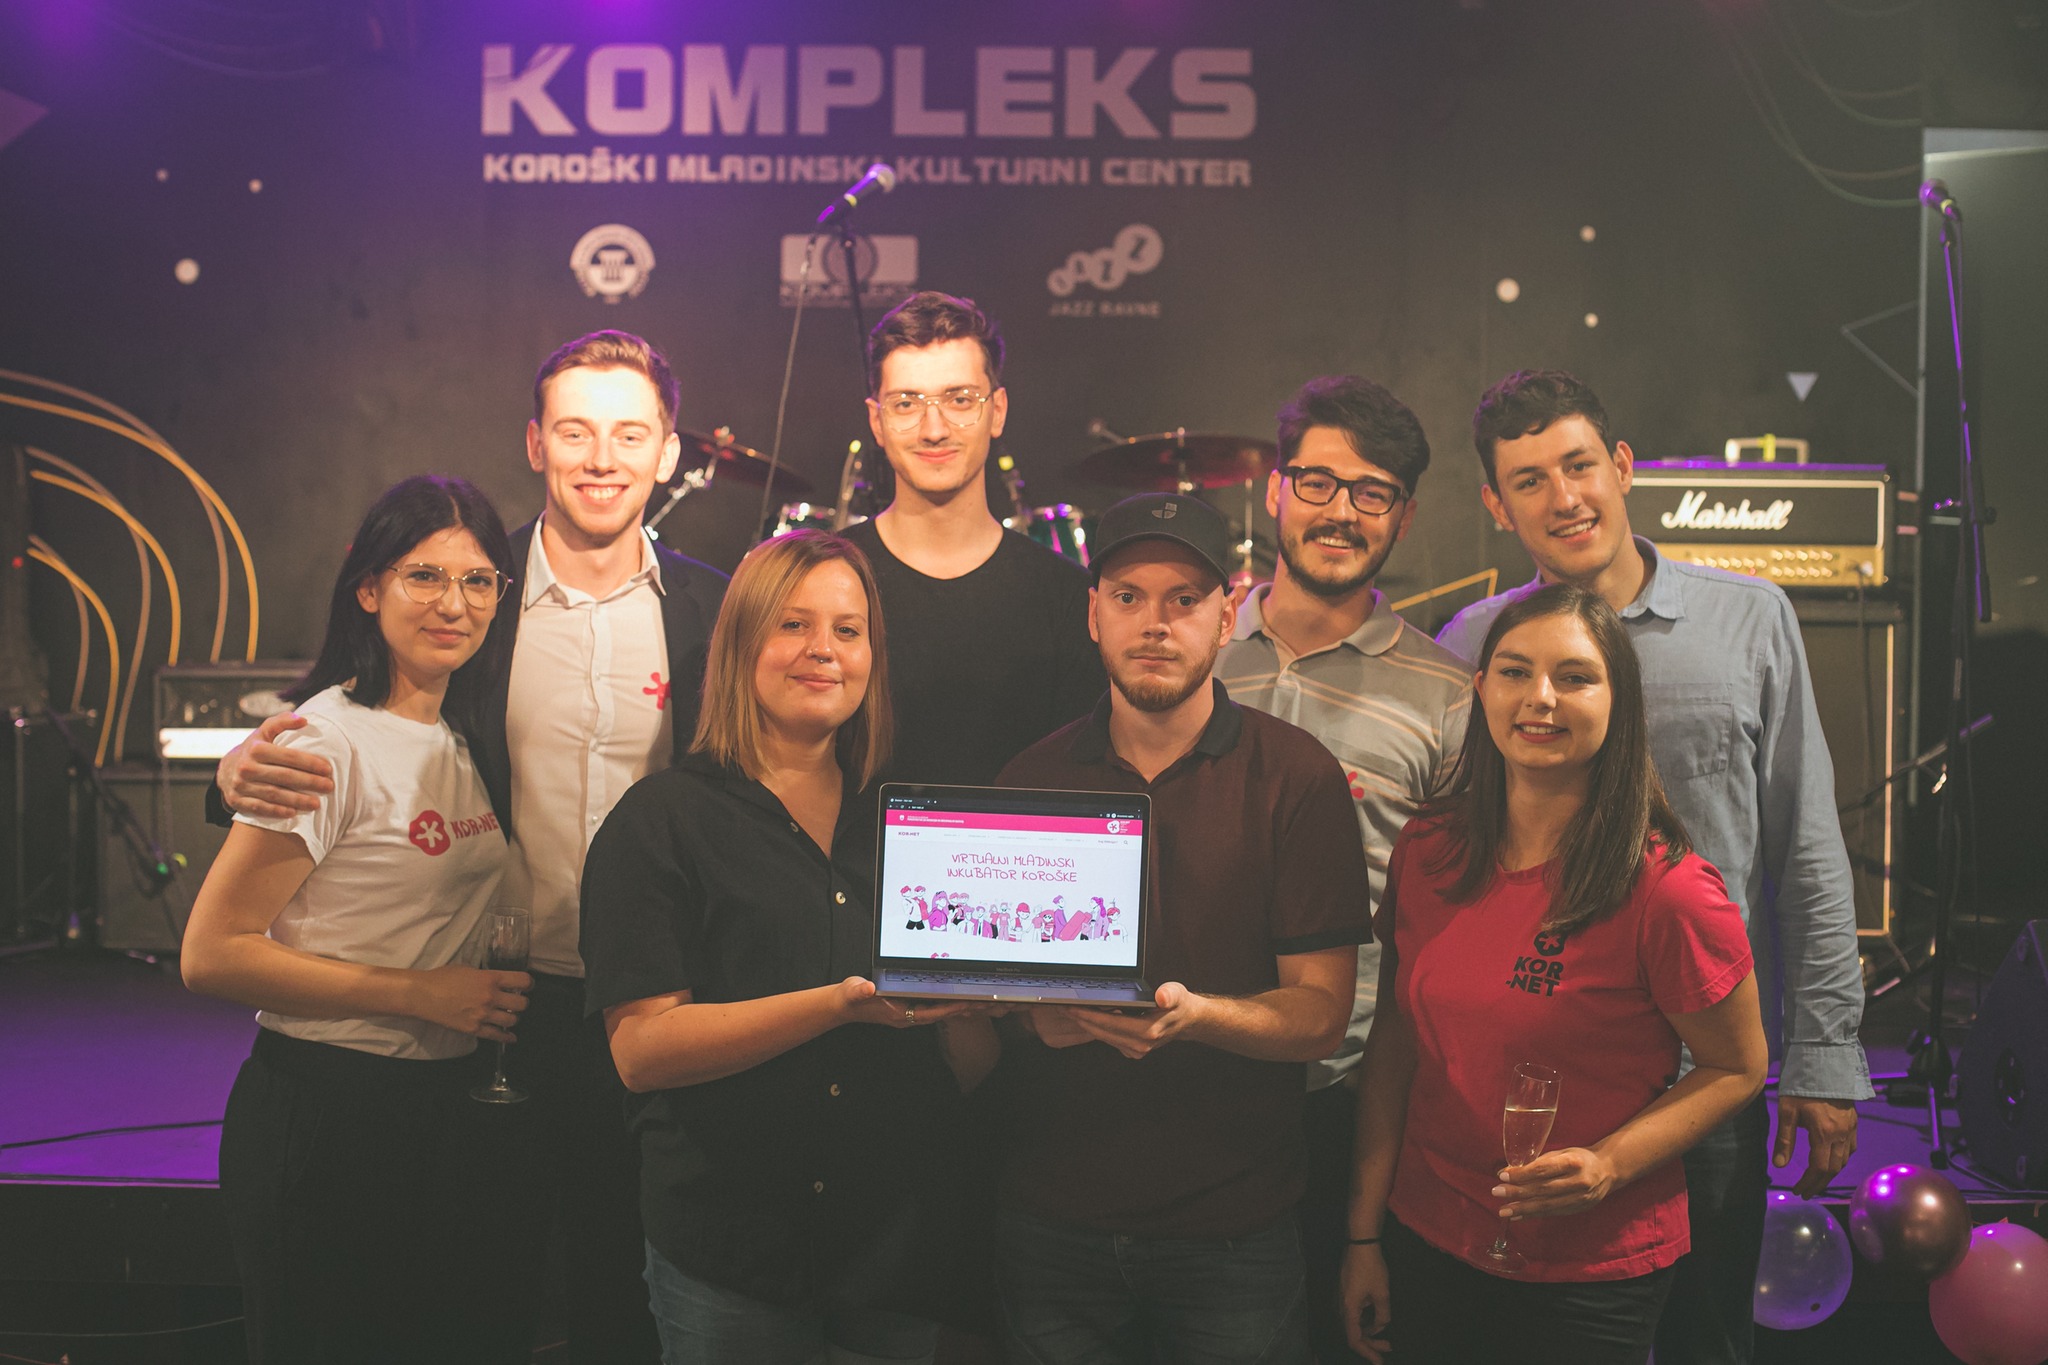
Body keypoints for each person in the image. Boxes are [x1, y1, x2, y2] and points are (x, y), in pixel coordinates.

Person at [212, 331, 729, 1363]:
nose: (601, 457)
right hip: (492, 1006)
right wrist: (238, 772)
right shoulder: (472, 600)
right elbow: (363, 724)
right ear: (535, 443)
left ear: (670, 454)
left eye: (630, 433)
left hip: (651, 1002)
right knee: (477, 1297)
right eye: (575, 431)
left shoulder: (717, 610)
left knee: (623, 1298)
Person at [1435, 371, 1870, 1365]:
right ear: (1497, 507)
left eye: (1579, 466)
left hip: (1703, 1073)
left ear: (1623, 468)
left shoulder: (1749, 622)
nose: (1564, 498)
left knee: (1703, 1339)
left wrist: (1824, 1054)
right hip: (1537, 1078)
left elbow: (1802, 844)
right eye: (1530, 481)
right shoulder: (1472, 644)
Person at [577, 530, 998, 1364]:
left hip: (896, 1256)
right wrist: (837, 1004)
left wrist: (985, 1004)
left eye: (848, 630)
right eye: (794, 625)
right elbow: (642, 1051)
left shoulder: (915, 826)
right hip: (732, 1260)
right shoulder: (660, 820)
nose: (823, 651)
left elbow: (970, 1064)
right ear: (741, 645)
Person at [1342, 584, 1769, 1365]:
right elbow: (1395, 1043)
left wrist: (1609, 1164)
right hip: (1428, 1236)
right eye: (1514, 672)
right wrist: (1363, 1233)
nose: (1540, 698)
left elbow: (1738, 1065)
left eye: (1574, 677)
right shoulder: (1428, 850)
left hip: (1589, 1269)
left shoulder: (1668, 889)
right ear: (1481, 688)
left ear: (1618, 702)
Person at [993, 493, 1370, 1363]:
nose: (1154, 623)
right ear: (1091, 612)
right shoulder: (1032, 777)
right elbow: (999, 994)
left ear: (1228, 612)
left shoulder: (1296, 776)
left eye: (1184, 599)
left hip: (1234, 1228)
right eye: (1127, 596)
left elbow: (1322, 1013)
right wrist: (1029, 1017)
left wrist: (1198, 1016)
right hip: (1053, 1221)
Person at [181, 475, 528, 1364]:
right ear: (368, 589)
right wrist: (419, 994)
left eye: (479, 580)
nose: (454, 602)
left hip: (432, 1116)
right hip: (326, 1113)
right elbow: (212, 955)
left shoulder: (460, 733)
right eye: (424, 575)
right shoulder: (322, 742)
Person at [1214, 375, 1472, 1363]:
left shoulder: (1447, 699)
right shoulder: (1193, 656)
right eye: (1317, 482)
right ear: (1275, 490)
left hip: (1346, 1097)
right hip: (1187, 1071)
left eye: (1371, 493)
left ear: (1401, 518)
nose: (1339, 511)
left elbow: (1446, 936)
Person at [840, 290, 1105, 786]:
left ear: (997, 410)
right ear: (877, 421)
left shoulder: (1068, 599)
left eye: (960, 400)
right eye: (906, 403)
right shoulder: (826, 583)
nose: (934, 428)